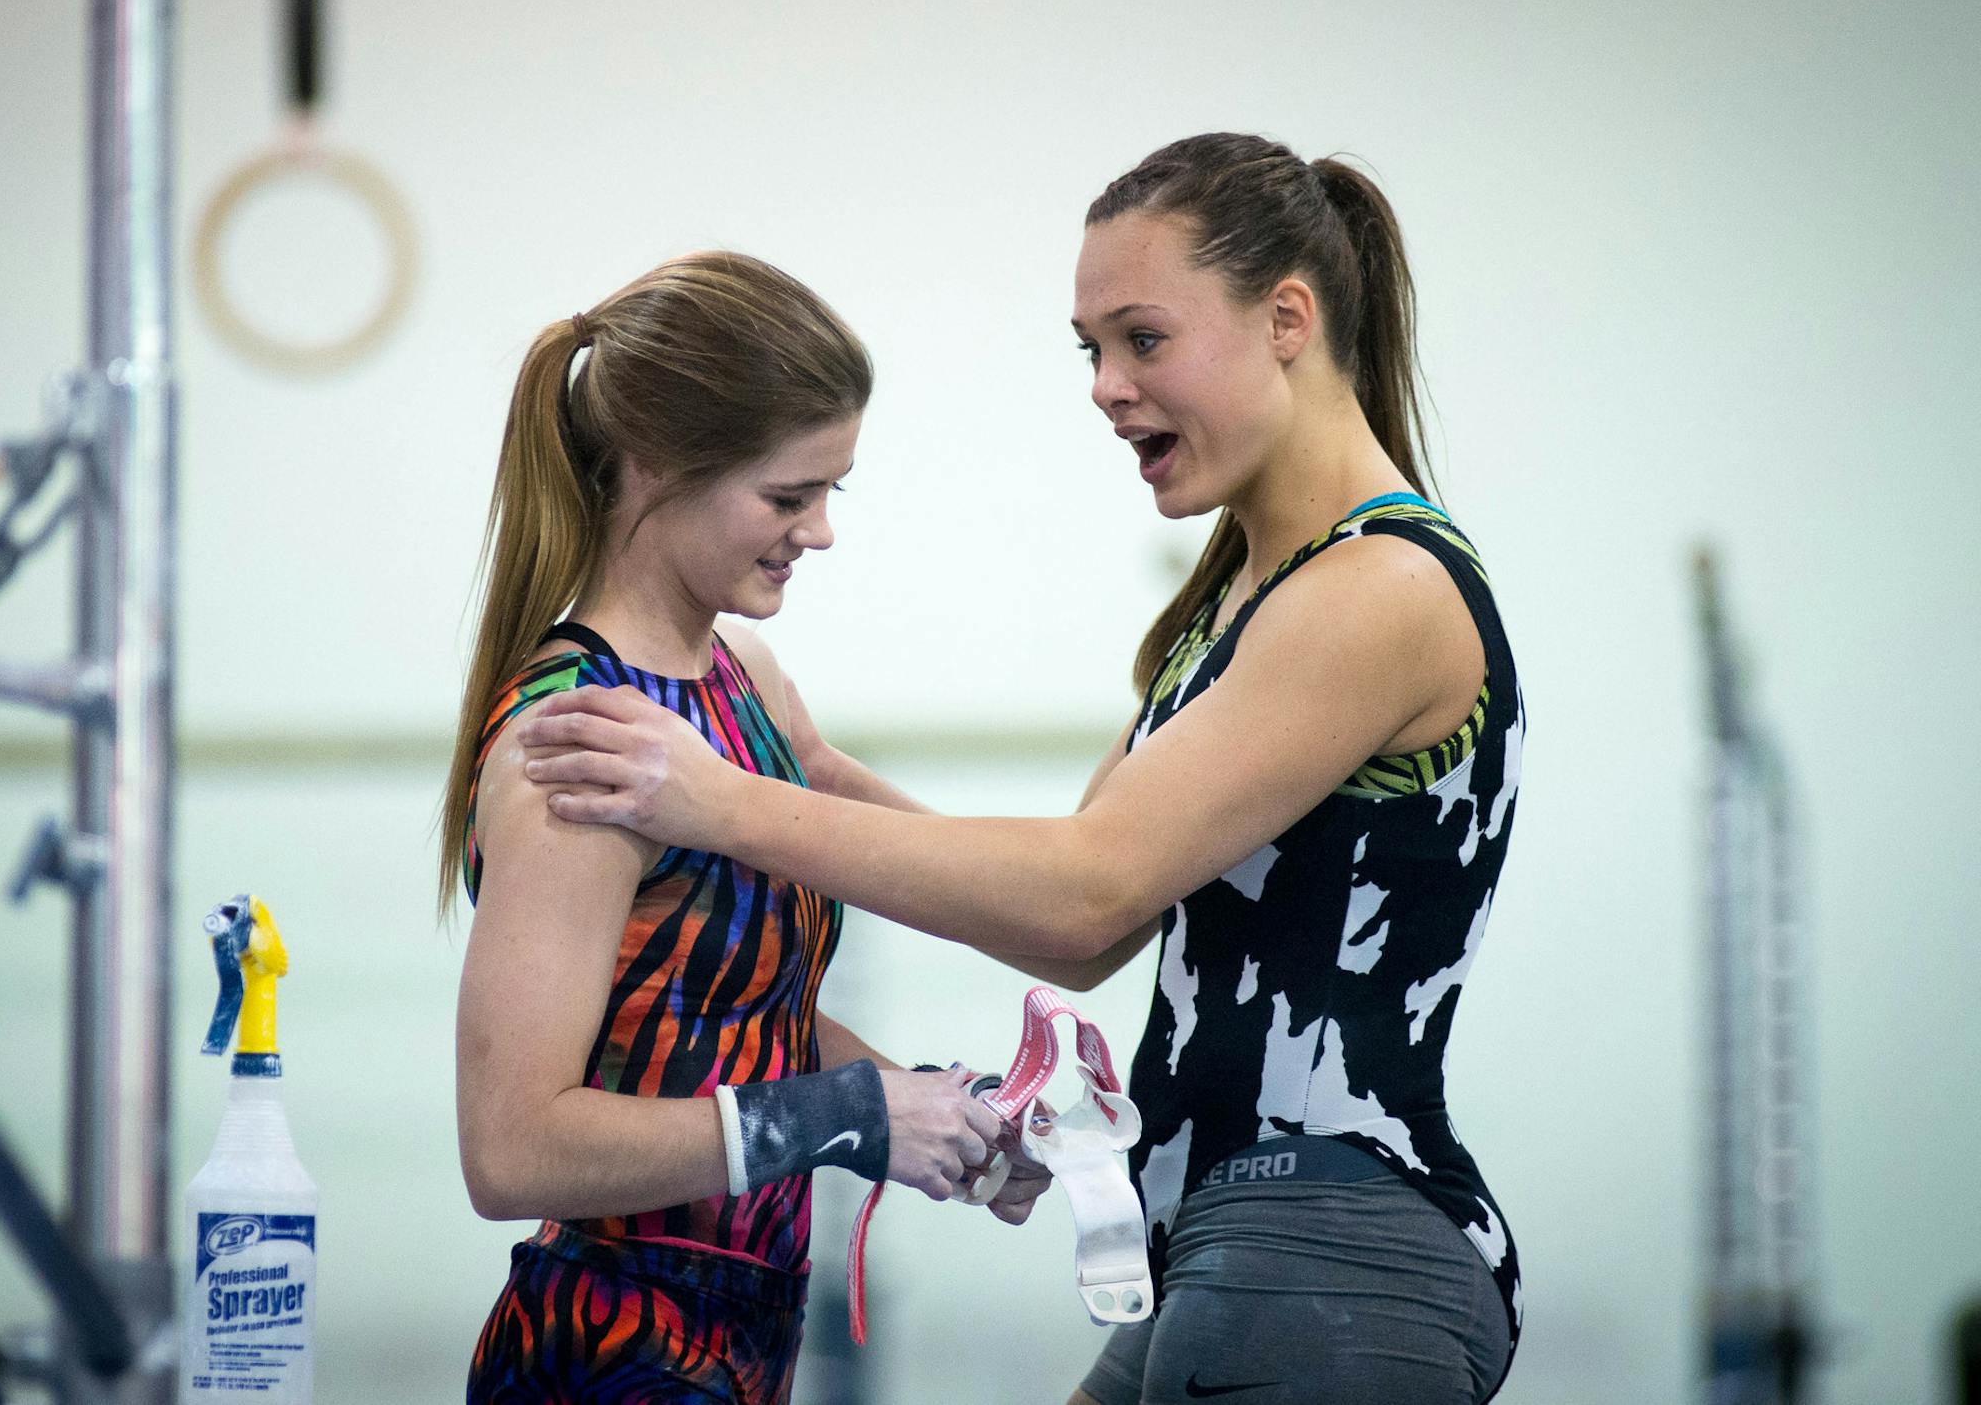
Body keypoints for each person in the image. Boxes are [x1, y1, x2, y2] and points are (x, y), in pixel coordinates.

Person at [516, 134, 1526, 1404]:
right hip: (1222, 1228)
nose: (1106, 386)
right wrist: (813, 770)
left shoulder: (1375, 590)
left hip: (1327, 1232)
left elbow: (1084, 893)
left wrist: (722, 799)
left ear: (1287, 319)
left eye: (1142, 340)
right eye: (1089, 349)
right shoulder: (1237, 605)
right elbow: (1075, 926)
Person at [441, 250, 1040, 1405]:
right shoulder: (585, 745)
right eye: (786, 496)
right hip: (613, 1348)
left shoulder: (742, 683)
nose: (818, 533)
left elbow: (736, 1019)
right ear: (658, 466)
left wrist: (941, 1110)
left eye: (833, 492)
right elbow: (512, 1149)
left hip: (744, 1337)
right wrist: (845, 1115)